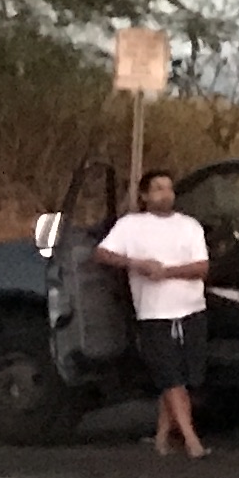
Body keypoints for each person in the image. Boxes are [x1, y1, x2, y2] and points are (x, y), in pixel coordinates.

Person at [94, 168, 214, 459]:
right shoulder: (130, 225)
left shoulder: (189, 226)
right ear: (144, 195)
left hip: (191, 309)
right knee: (170, 377)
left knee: (179, 378)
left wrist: (167, 271)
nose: (165, 194)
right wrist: (136, 263)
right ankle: (191, 439)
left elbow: (201, 268)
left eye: (169, 189)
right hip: (154, 313)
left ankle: (161, 437)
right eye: (158, 188)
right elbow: (102, 254)